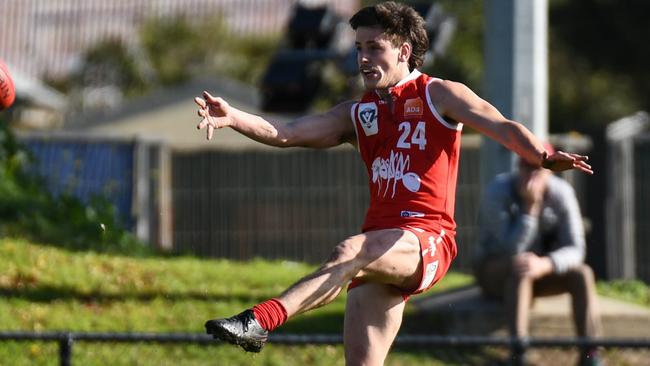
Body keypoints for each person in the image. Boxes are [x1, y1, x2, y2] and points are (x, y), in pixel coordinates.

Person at [194, 2, 592, 365]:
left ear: (403, 51)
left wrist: (541, 154)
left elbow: (501, 125)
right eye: (359, 47)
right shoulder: (358, 111)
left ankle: (260, 320)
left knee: (350, 249)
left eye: (374, 47)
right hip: (380, 250)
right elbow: (287, 132)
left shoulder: (439, 94)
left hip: (427, 239)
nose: (363, 58)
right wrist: (234, 117)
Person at [473, 145, 603, 366]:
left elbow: (576, 249)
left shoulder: (561, 193)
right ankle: (518, 354)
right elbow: (509, 249)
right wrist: (529, 209)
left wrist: (547, 264)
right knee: (520, 266)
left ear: (549, 171)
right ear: (518, 167)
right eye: (527, 167)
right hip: (494, 270)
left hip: (540, 271)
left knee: (583, 273)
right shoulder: (499, 190)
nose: (532, 174)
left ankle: (590, 354)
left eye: (539, 169)